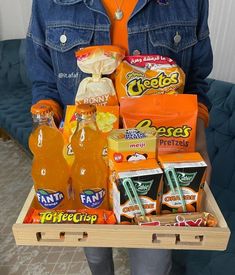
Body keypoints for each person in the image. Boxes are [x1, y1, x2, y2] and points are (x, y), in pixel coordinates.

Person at [26, 1, 213, 274]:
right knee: (98, 257)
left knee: (154, 266)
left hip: (158, 167)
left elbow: (197, 79)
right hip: (84, 164)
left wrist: (198, 140)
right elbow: (44, 82)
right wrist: (48, 143)